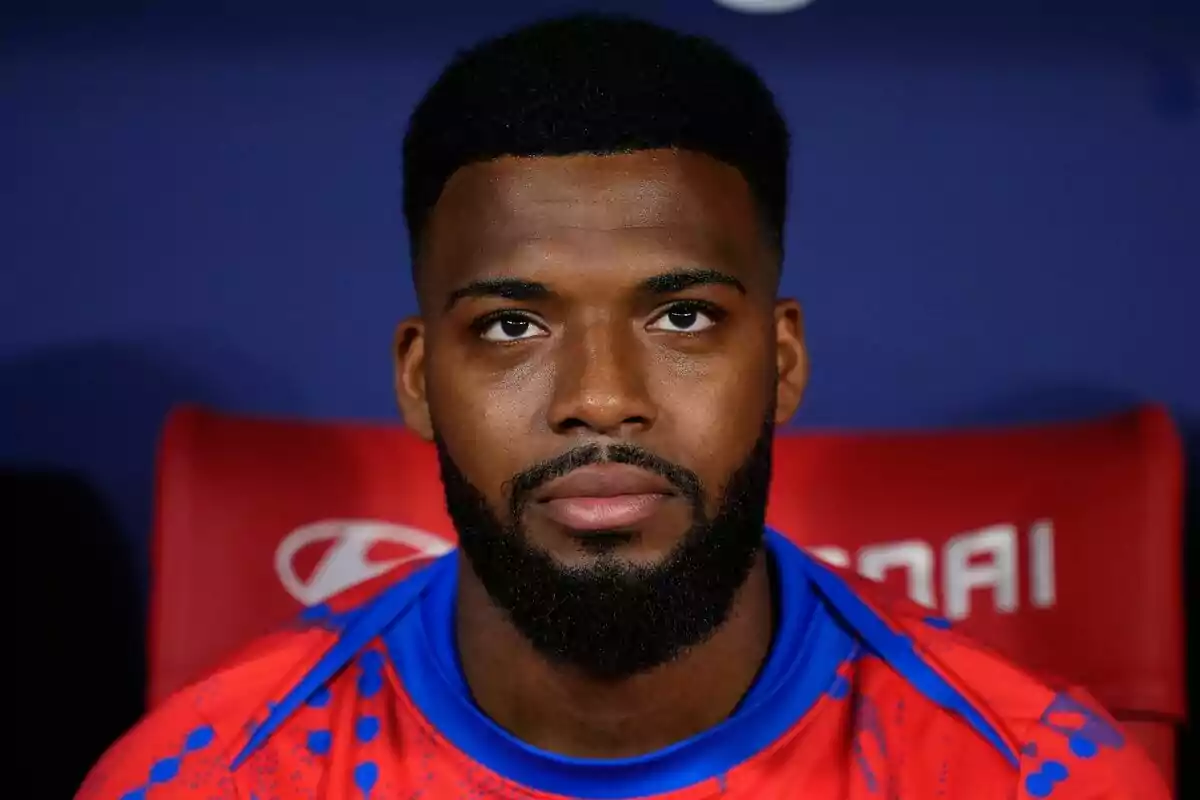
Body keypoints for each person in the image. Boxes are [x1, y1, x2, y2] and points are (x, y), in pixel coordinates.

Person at [78, 13, 1169, 800]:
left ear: (781, 359)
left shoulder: (1027, 772)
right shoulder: (210, 774)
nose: (601, 396)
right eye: (511, 325)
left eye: (683, 317)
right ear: (418, 377)